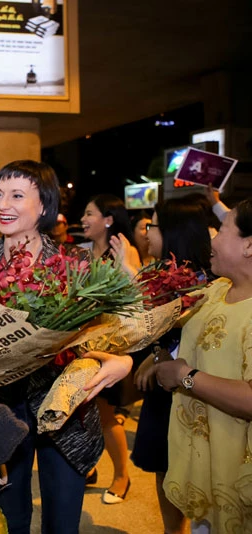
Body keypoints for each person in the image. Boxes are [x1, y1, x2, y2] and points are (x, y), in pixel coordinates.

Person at [0, 161, 133, 534]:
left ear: (44, 205)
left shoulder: (74, 262)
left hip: (65, 405)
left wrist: (123, 360)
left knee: (62, 523)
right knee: (10, 521)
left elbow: (115, 330)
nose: (3, 204)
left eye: (17, 195)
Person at [155, 198, 252, 533]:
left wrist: (185, 377)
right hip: (205, 459)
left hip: (238, 468)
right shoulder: (217, 289)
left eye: (222, 230)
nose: (212, 238)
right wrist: (158, 359)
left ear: (249, 245)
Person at [131, 198, 213, 534]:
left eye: (153, 226)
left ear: (174, 232)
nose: (146, 233)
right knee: (164, 463)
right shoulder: (156, 277)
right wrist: (156, 352)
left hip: (196, 390)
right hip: (161, 389)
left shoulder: (210, 282)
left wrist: (165, 356)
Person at [79, 193, 141, 503]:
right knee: (82, 412)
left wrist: (123, 267)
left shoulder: (125, 251)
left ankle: (122, 476)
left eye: (89, 213)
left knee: (105, 414)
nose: (83, 219)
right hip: (82, 342)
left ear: (108, 220)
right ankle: (89, 466)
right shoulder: (82, 252)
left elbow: (137, 298)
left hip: (112, 346)